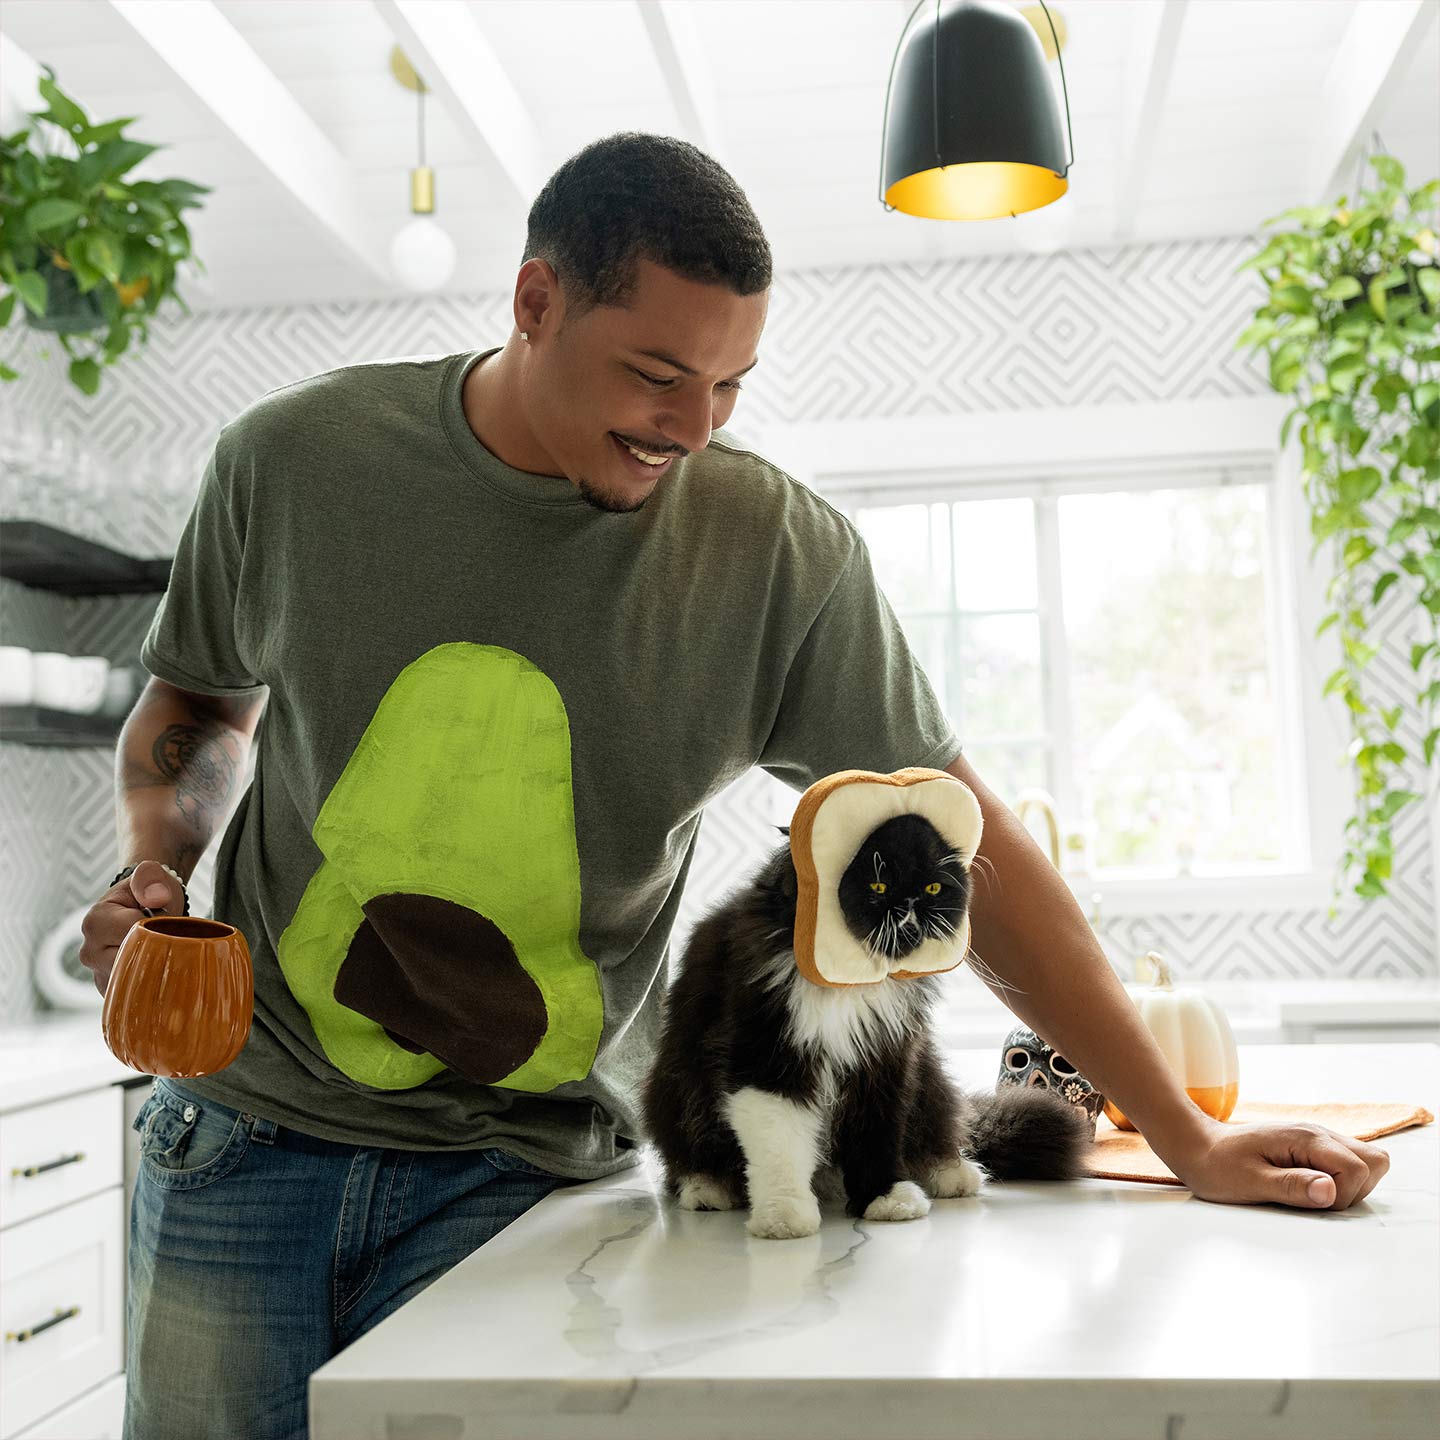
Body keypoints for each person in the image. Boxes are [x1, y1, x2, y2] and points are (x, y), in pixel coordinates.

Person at [82, 132, 1389, 1440]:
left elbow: (959, 846)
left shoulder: (777, 556)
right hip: (242, 1139)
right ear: (536, 302)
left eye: (730, 384)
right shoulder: (296, 464)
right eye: (657, 374)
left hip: (520, 1174)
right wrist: (158, 870)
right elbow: (198, 702)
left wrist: (1181, 1135)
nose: (692, 428)